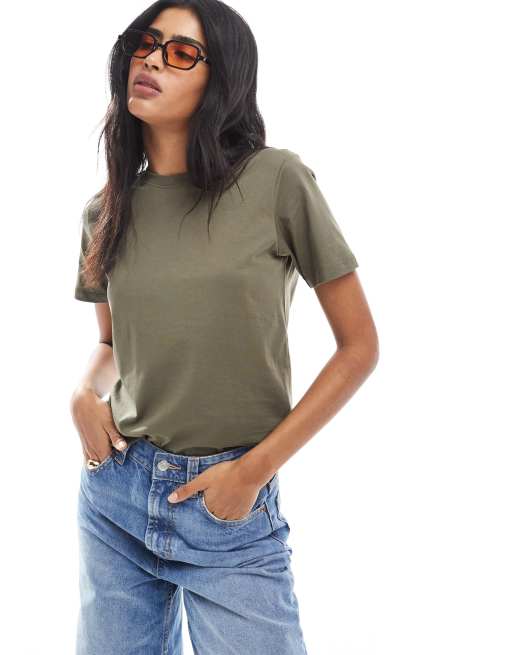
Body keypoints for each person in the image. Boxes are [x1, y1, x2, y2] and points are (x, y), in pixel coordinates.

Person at [70, 1, 379, 653]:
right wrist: (82, 395)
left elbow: (358, 347)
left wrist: (252, 472)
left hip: (227, 501)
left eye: (181, 52)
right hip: (116, 491)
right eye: (145, 42)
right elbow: (110, 343)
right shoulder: (105, 210)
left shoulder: (276, 180)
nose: (152, 60)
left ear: (223, 80)